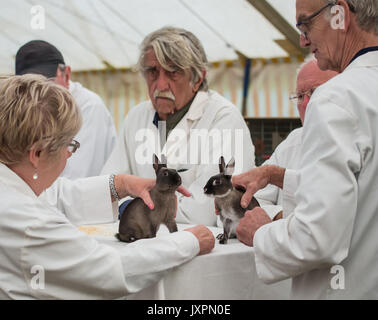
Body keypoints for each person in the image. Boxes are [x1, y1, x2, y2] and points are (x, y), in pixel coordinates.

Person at [0, 74, 215, 299]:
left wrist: (120, 184)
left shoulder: (10, 187)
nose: (69, 154)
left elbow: (54, 196)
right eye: (69, 145)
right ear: (37, 154)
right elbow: (110, 270)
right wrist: (189, 241)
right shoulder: (29, 223)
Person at [234, 0, 378, 299]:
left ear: (340, 14)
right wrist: (279, 175)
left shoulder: (336, 98)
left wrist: (262, 233)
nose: (302, 39)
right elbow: (365, 191)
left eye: (306, 23)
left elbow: (317, 239)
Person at [101, 26, 255, 226]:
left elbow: (209, 208)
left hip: (201, 251)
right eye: (152, 72)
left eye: (173, 72)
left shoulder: (223, 119)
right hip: (138, 245)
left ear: (197, 78)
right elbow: (106, 188)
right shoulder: (137, 117)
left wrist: (129, 206)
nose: (161, 85)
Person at [15, 40, 117, 179]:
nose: (39, 93)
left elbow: (77, 179)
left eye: (47, 83)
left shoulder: (89, 107)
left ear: (66, 74)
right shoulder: (25, 109)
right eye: (31, 86)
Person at [254, 58, 338, 221]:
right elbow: (253, 199)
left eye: (315, 92)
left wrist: (280, 218)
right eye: (299, 96)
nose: (306, 103)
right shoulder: (293, 141)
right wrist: (279, 216)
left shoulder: (359, 141)